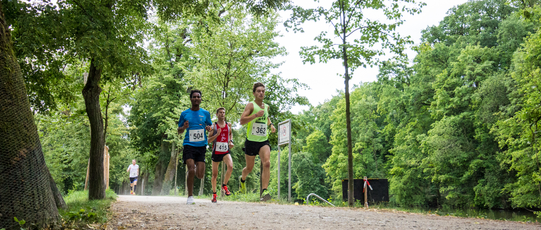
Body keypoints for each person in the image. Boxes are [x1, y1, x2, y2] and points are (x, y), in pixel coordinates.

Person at [239, 82, 276, 201]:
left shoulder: (266, 106)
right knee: (249, 168)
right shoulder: (250, 105)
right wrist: (255, 115)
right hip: (251, 141)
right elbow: (242, 121)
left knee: (267, 163)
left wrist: (271, 125)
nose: (261, 93)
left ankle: (265, 191)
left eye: (263, 91)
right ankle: (243, 178)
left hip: (263, 140)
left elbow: (266, 116)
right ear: (254, 93)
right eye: (259, 91)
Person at [177, 89, 213, 205]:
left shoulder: (205, 113)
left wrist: (209, 129)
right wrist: (184, 127)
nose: (196, 99)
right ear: (191, 99)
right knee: (191, 169)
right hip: (188, 144)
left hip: (201, 146)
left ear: (201, 99)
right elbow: (179, 131)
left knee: (200, 175)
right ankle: (190, 196)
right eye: (194, 97)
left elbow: (210, 126)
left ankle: (196, 168)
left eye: (198, 97)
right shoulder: (185, 114)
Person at [208, 107, 234, 203]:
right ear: (217, 114)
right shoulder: (213, 126)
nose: (222, 114)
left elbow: (230, 134)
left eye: (223, 112)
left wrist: (230, 141)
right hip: (216, 151)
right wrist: (216, 135)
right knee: (215, 175)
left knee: (230, 166)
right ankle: (214, 194)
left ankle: (224, 185)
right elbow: (208, 140)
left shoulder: (228, 125)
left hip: (225, 150)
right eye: (220, 113)